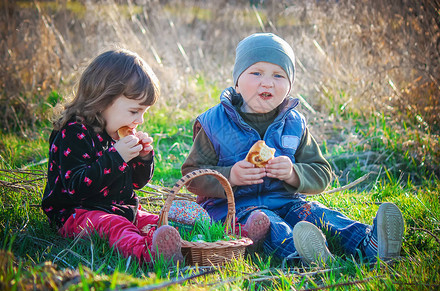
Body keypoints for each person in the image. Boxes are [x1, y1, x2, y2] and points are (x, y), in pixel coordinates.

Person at [181, 33, 405, 265]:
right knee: (269, 223)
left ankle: (369, 243)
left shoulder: (294, 124)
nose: (267, 82)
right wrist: (231, 176)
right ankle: (304, 255)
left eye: (278, 75)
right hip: (235, 209)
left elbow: (321, 173)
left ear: (289, 86)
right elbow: (192, 176)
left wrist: (292, 173)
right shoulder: (215, 122)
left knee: (317, 213)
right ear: (237, 81)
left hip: (287, 201)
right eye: (256, 73)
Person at [41, 48, 183, 265]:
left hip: (121, 208)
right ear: (103, 100)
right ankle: (149, 254)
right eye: (134, 111)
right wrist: (117, 157)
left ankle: (192, 243)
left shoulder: (115, 130)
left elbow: (135, 183)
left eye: (144, 112)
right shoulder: (74, 132)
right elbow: (78, 189)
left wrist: (142, 158)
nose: (140, 120)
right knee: (115, 227)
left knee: (162, 221)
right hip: (78, 214)